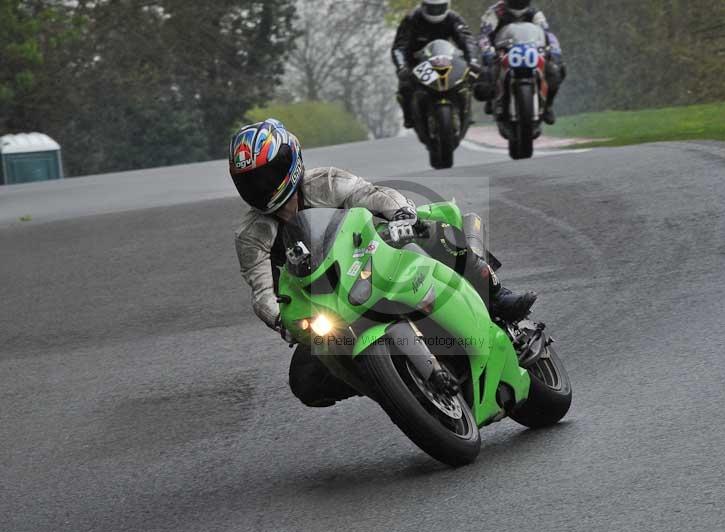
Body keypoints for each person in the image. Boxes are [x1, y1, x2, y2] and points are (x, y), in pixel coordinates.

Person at [231, 119, 537, 406]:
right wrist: (280, 320)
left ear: (292, 160)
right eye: (251, 181)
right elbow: (262, 292)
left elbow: (371, 194)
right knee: (305, 381)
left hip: (376, 256)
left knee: (431, 228)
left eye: (269, 174)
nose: (262, 187)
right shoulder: (250, 235)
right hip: (331, 308)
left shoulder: (324, 182)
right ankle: (393, 384)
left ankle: (496, 295)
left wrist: (400, 213)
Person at [391, 0, 481, 128]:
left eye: (440, 8)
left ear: (447, 6)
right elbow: (399, 46)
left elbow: (468, 41)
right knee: (405, 86)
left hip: (446, 58)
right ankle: (409, 115)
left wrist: (473, 60)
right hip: (416, 60)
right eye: (431, 8)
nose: (435, 12)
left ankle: (465, 109)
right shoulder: (411, 19)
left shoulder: (453, 18)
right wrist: (401, 66)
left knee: (468, 77)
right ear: (423, 6)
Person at [476, 0, 566, 124]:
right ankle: (492, 99)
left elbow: (547, 33)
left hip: (530, 52)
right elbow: (483, 35)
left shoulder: (534, 12)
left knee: (555, 70)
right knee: (487, 73)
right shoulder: (495, 12)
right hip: (502, 52)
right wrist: (488, 51)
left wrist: (554, 49)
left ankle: (548, 105)